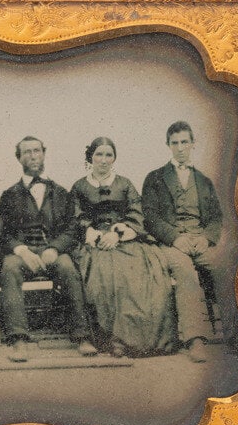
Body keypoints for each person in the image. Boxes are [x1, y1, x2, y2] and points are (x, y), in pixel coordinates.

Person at [70, 137, 179, 357]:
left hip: (125, 239)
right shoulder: (80, 186)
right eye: (99, 154)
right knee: (105, 275)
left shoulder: (125, 184)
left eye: (108, 155)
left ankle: (142, 341)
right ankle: (113, 340)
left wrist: (118, 233)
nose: (103, 160)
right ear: (90, 157)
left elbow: (136, 213)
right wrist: (94, 233)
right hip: (96, 243)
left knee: (144, 275)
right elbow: (75, 217)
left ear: (114, 158)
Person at [0, 136, 98, 362]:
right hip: (24, 253)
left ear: (44, 153)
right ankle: (19, 339)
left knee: (69, 268)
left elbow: (72, 228)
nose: (33, 156)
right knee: (9, 268)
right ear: (19, 158)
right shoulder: (9, 195)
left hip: (52, 251)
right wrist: (21, 250)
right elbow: (1, 232)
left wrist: (54, 248)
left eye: (36, 151)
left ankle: (82, 336)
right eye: (27, 152)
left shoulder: (61, 193)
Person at [141, 121, 231, 362]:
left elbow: (215, 217)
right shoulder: (155, 178)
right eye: (175, 143)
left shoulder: (203, 181)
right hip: (172, 243)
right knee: (185, 273)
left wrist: (206, 239)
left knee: (227, 269)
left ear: (192, 144)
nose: (180, 148)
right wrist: (174, 237)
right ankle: (196, 340)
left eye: (184, 142)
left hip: (199, 240)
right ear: (168, 145)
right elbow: (149, 217)